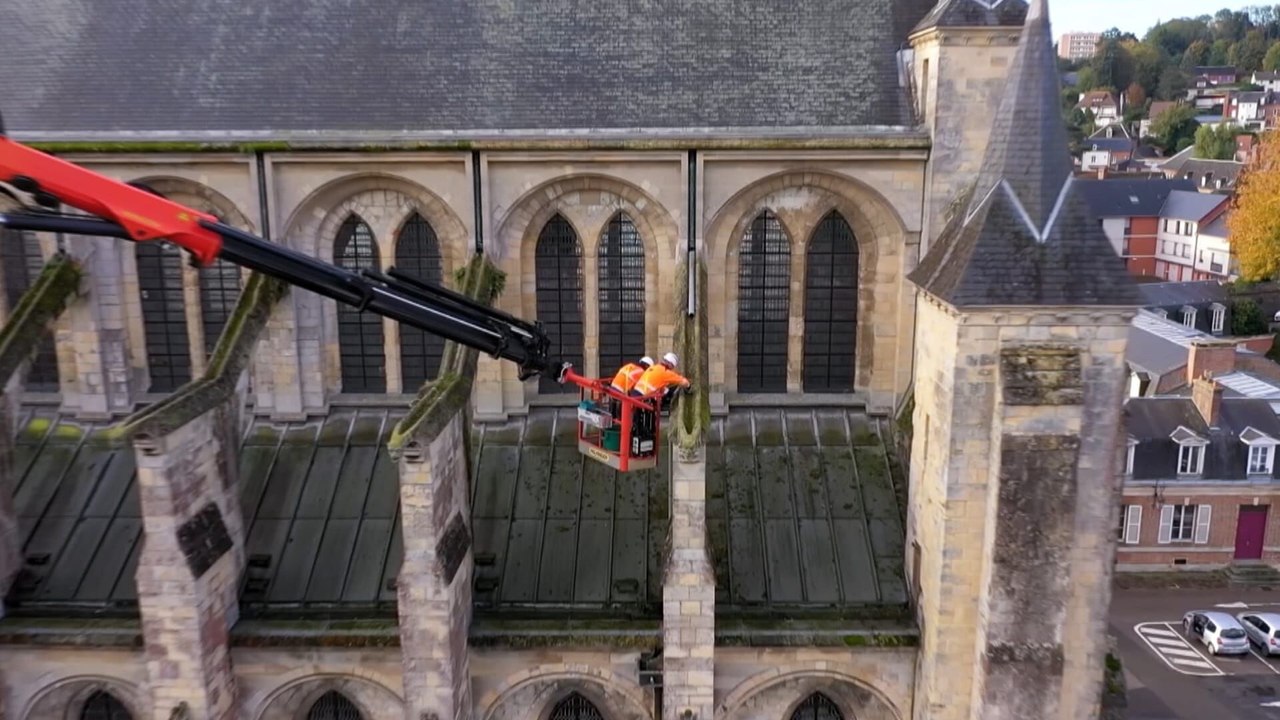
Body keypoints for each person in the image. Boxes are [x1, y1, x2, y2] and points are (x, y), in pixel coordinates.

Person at [629, 352, 690, 448]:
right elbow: (683, 381)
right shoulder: (666, 373)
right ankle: (642, 440)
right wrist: (689, 386)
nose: (672, 368)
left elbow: (658, 384)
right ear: (670, 364)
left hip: (635, 394)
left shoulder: (653, 368)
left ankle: (636, 441)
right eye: (672, 366)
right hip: (642, 398)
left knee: (636, 421)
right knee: (642, 421)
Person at [608, 356, 653, 421]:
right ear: (646, 366)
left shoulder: (629, 366)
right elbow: (640, 387)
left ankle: (614, 419)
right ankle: (625, 422)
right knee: (633, 403)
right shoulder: (641, 372)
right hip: (621, 392)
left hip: (612, 388)